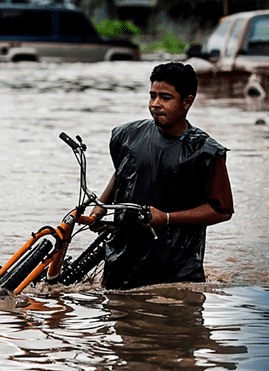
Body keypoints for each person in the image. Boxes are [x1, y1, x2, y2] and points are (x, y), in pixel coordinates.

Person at [90, 62, 234, 290]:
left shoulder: (204, 151)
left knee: (174, 322)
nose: (155, 104)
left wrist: (167, 218)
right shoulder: (128, 134)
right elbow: (123, 172)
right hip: (122, 263)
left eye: (165, 98)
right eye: (152, 96)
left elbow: (222, 210)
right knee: (120, 318)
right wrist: (100, 207)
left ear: (187, 102)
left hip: (176, 272)